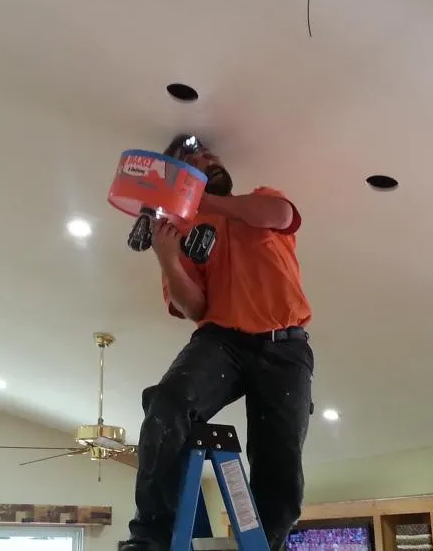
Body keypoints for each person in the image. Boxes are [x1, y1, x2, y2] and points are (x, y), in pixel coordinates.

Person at [120, 134, 315, 551]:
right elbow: (194, 307)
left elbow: (281, 214)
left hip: (285, 346)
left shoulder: (259, 200)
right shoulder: (182, 230)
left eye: (208, 154)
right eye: (191, 158)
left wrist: (200, 201)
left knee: (280, 468)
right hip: (222, 340)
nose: (205, 157)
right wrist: (168, 257)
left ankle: (270, 543)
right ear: (177, 176)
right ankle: (150, 538)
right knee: (167, 406)